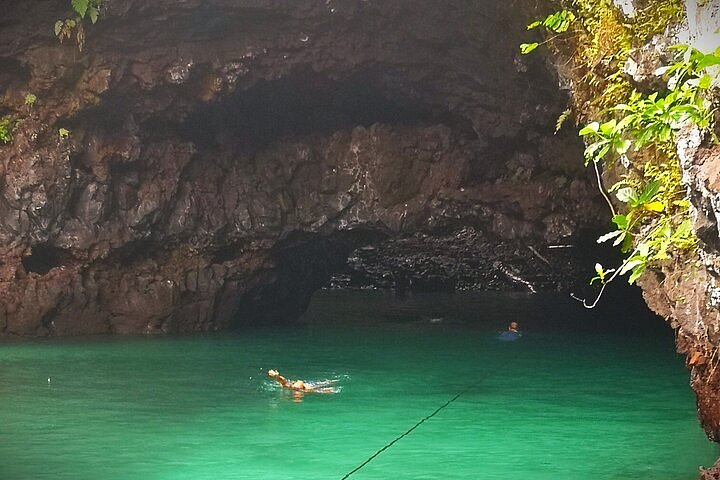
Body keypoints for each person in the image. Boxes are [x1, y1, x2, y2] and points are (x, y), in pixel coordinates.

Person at [266, 369, 336, 394]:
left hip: (300, 386)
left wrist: (276, 376)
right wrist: (276, 376)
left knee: (314, 389)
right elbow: (282, 380)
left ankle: (328, 388)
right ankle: (329, 385)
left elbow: (283, 381)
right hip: (302, 385)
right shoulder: (288, 385)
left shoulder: (290, 386)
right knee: (315, 388)